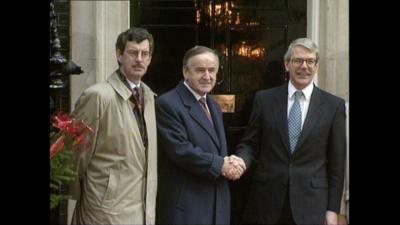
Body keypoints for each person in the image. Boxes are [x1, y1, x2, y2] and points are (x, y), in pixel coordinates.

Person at [234, 38, 347, 225]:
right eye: (298, 61)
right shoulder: (264, 100)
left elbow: (337, 163)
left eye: (310, 61)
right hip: (267, 202)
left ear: (316, 66)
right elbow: (250, 143)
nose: (305, 66)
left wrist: (333, 209)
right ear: (287, 64)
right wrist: (240, 161)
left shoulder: (333, 106)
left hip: (311, 205)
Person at [69, 27, 158, 225]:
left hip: (141, 210)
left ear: (150, 59)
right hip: (102, 212)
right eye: (133, 53)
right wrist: (93, 197)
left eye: (145, 54)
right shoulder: (98, 96)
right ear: (119, 55)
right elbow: (75, 156)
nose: (139, 59)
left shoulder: (150, 98)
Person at [155, 45, 245, 225]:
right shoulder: (168, 103)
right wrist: (221, 165)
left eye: (212, 70)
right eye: (200, 70)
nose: (207, 76)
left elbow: (217, 148)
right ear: (185, 72)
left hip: (217, 205)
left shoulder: (213, 105)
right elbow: (180, 150)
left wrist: (235, 162)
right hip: (187, 208)